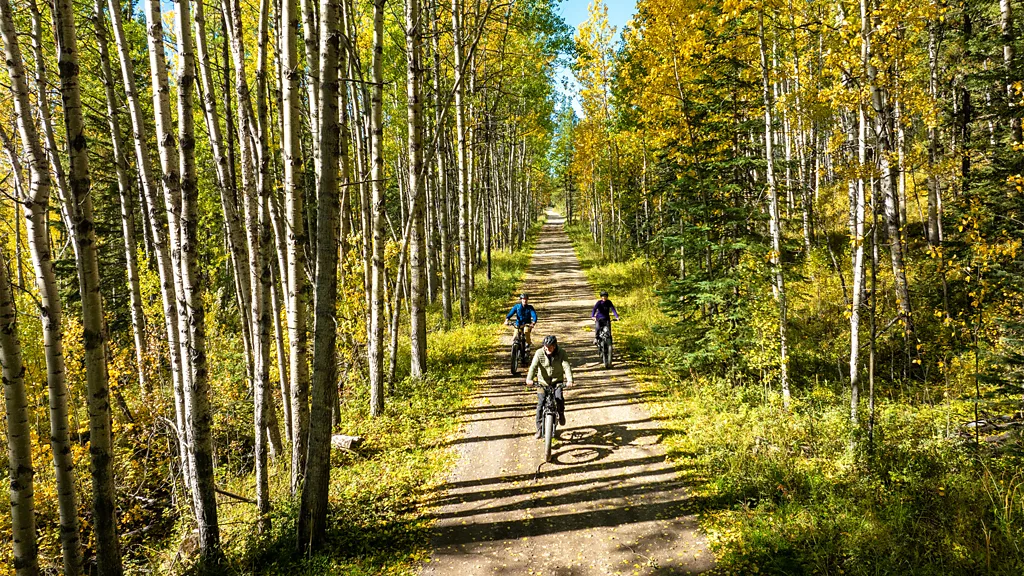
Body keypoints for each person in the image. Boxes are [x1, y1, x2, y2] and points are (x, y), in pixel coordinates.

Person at [526, 335, 574, 439]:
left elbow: (566, 367)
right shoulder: (539, 353)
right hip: (542, 382)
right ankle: (539, 428)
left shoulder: (561, 353)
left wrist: (569, 380)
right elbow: (533, 367)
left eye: (550, 347)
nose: (548, 349)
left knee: (559, 399)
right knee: (541, 403)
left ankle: (561, 414)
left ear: (555, 346)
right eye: (546, 347)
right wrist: (529, 379)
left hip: (557, 382)